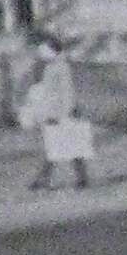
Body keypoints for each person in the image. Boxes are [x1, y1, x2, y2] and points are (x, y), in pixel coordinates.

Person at [20, 35, 93, 191]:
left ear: (52, 50)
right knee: (60, 146)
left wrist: (66, 112)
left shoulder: (62, 67)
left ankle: (75, 179)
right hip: (54, 112)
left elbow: (68, 91)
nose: (40, 53)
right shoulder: (52, 66)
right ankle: (77, 178)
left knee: (65, 146)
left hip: (62, 113)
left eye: (43, 49)